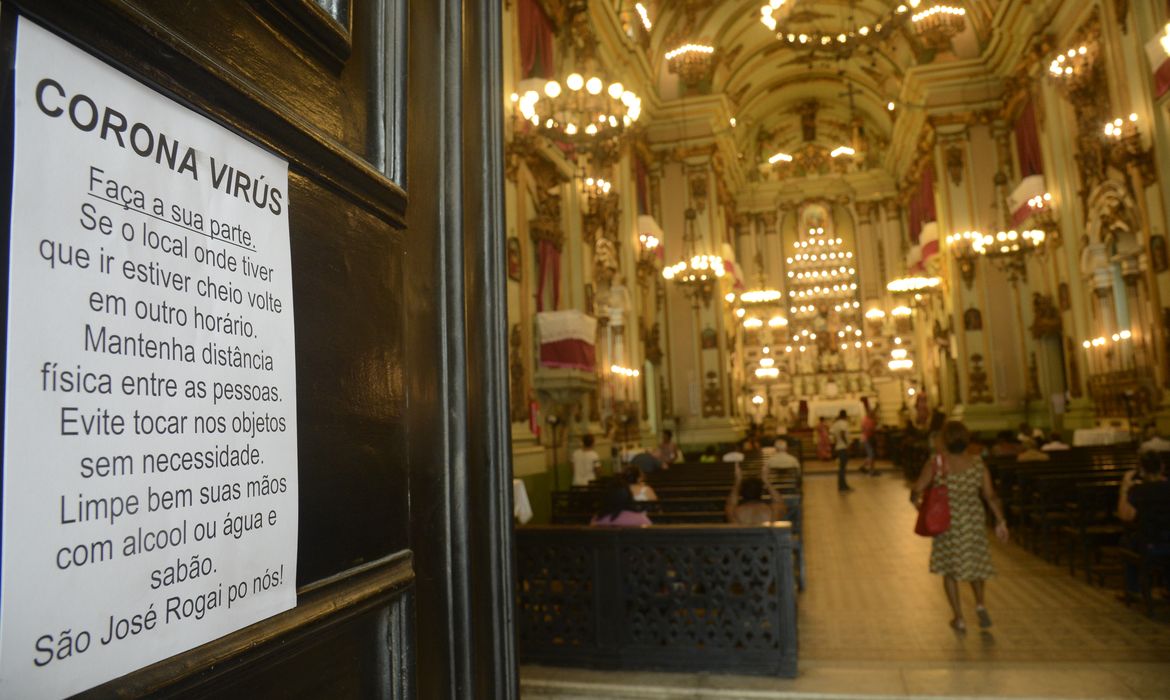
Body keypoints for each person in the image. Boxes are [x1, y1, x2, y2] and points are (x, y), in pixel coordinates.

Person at [911, 420, 1009, 633]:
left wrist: (921, 509)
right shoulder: (977, 464)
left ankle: (959, 618)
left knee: (950, 570)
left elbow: (916, 490)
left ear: (944, 441)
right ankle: (981, 604)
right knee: (976, 565)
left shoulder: (936, 463)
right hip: (973, 521)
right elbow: (990, 495)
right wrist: (1001, 521)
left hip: (947, 523)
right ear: (967, 440)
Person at [1117, 451, 1170, 599]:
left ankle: (1133, 589)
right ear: (1162, 467)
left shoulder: (1138, 491)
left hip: (1151, 544)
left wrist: (1125, 489)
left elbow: (1125, 516)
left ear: (1141, 470)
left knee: (1127, 541)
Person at [832, 410, 852, 492]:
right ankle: (842, 486)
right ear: (845, 415)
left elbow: (834, 437)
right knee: (842, 468)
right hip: (843, 447)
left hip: (838, 447)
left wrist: (835, 446)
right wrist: (847, 445)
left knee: (842, 468)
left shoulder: (836, 423)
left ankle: (843, 485)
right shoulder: (843, 423)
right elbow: (842, 433)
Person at [860, 409, 878, 475]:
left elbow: (863, 428)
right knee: (871, 455)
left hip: (866, 438)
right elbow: (869, 430)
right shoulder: (869, 420)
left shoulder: (865, 419)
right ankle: (871, 470)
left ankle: (864, 467)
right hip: (867, 438)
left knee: (871, 455)